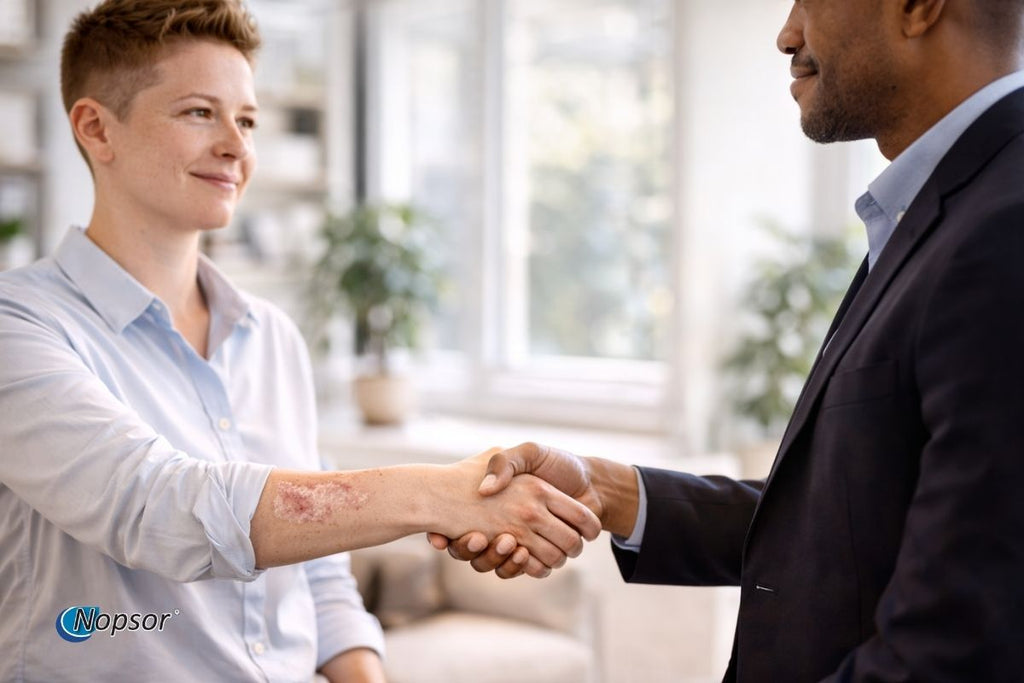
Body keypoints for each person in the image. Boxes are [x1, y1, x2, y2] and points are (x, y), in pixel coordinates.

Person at [0, 1, 599, 681]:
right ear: (96, 128)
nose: (236, 144)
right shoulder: (19, 327)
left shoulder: (273, 338)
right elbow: (155, 505)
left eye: (247, 119)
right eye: (199, 112)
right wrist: (437, 492)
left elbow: (318, 576)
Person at [436, 0, 1024, 679]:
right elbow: (851, 522)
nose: (788, 34)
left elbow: (955, 646)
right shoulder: (946, 209)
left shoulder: (1003, 229)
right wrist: (608, 489)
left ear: (919, 7)